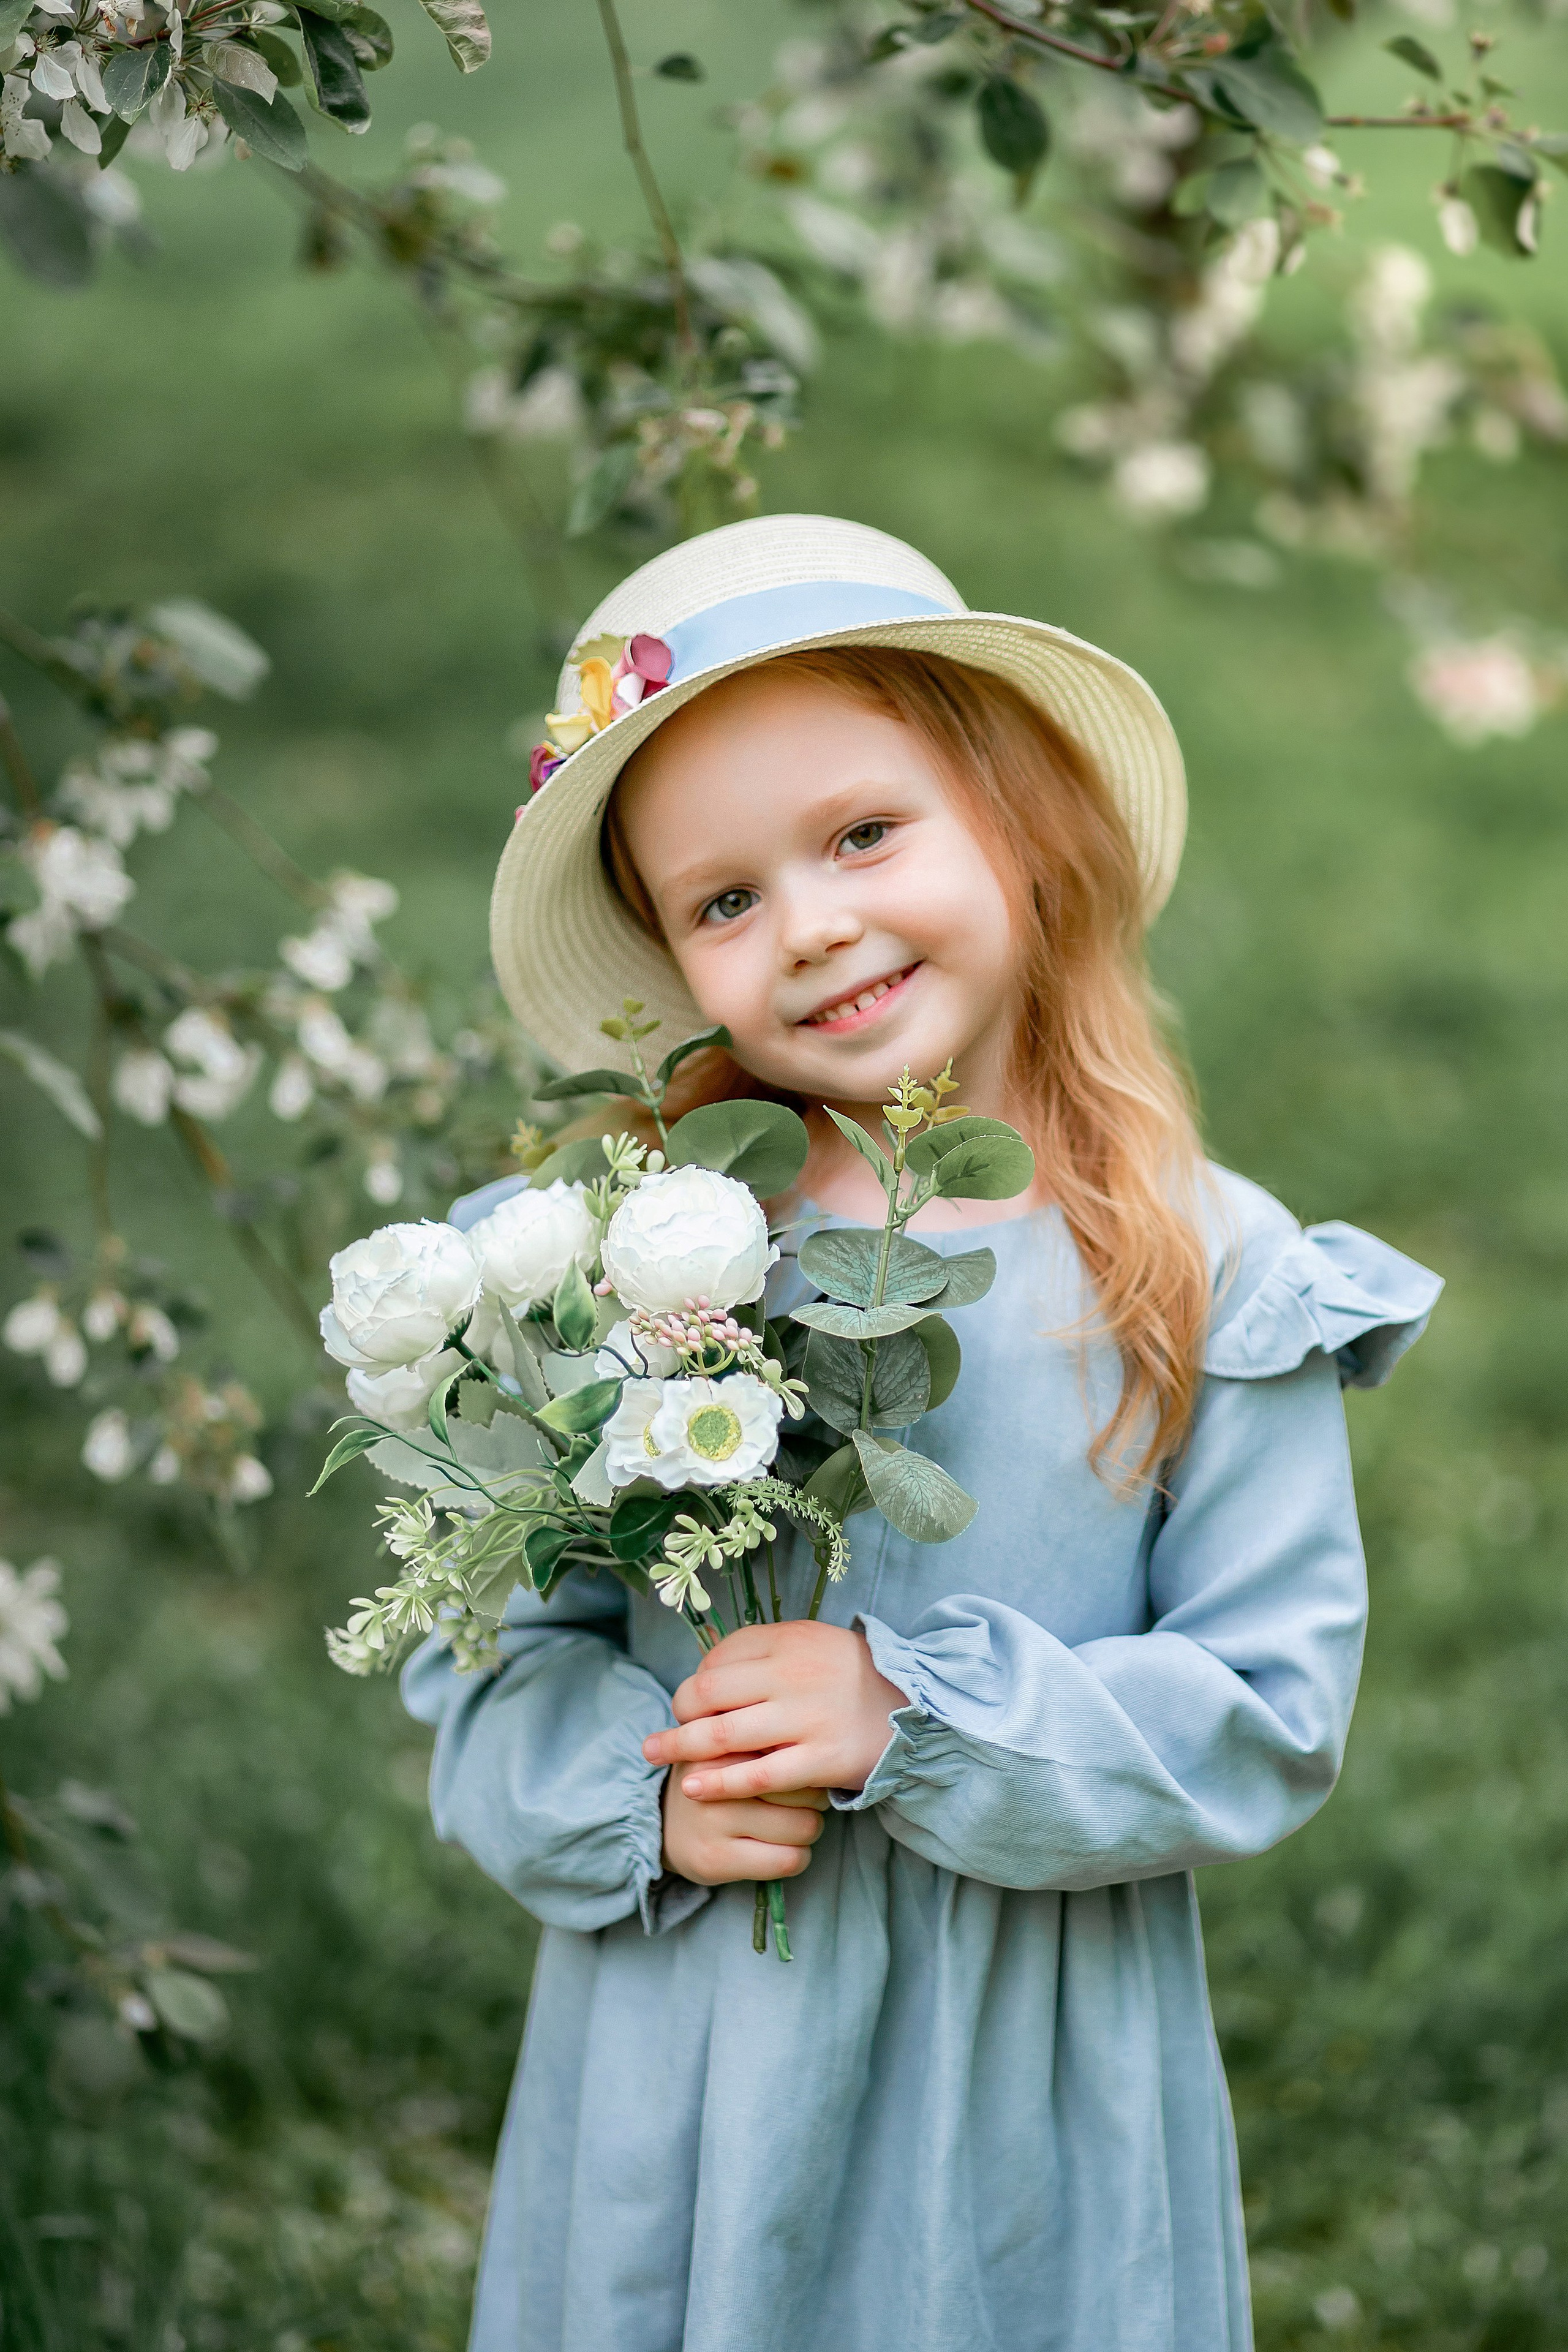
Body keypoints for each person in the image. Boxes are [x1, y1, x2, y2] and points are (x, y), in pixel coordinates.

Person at [402, 514, 1442, 2352]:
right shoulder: (626, 1266)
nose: (812, 925)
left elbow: (1270, 1703)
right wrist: (650, 1790)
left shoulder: (1205, 1268)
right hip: (698, 2062)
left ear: (1021, 823)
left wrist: (920, 1715)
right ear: (674, 967)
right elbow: (490, 1675)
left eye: (865, 834)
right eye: (725, 902)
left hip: (1031, 2078)